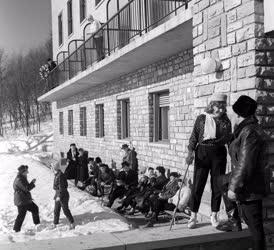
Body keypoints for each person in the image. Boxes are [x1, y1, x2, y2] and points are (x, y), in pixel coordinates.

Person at [218, 96, 267, 250]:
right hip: (248, 183)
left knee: (255, 227)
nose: (231, 115)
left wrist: (234, 188)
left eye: (234, 113)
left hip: (251, 187)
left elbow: (245, 164)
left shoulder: (250, 132)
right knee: (220, 181)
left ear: (239, 115)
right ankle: (234, 221)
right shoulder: (244, 130)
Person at [186, 93, 232, 229]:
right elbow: (194, 136)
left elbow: (229, 139)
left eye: (223, 107)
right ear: (212, 105)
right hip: (202, 152)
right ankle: (193, 215)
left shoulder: (225, 121)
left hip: (218, 153)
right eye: (219, 107)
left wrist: (234, 154)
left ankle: (214, 215)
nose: (221, 110)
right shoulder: (201, 118)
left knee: (217, 185)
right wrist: (190, 152)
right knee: (198, 184)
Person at [13, 165, 40, 232]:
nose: (28, 172)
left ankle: (37, 224)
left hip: (25, 200)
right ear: (23, 172)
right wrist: (32, 182)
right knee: (21, 215)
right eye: (26, 171)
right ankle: (16, 230)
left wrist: (31, 183)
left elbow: (26, 187)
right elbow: (27, 188)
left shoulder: (22, 177)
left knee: (35, 209)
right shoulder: (19, 179)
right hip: (21, 201)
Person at [52, 161, 75, 230]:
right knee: (56, 210)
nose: (52, 169)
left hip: (63, 195)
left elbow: (62, 187)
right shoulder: (57, 175)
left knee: (65, 210)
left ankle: (72, 222)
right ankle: (55, 223)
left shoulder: (60, 176)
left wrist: (59, 196)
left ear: (56, 168)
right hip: (58, 194)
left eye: (53, 167)